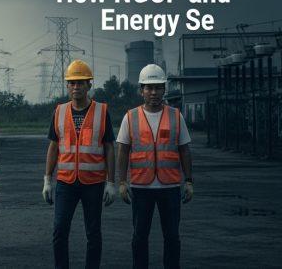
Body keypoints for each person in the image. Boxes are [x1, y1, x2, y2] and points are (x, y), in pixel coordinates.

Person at [116, 64, 194, 269]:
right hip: (142, 188)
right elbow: (122, 150)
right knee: (139, 237)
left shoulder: (176, 116)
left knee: (172, 238)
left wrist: (189, 181)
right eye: (149, 88)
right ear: (141, 90)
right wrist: (122, 182)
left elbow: (184, 150)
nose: (153, 92)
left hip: (170, 188)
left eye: (158, 87)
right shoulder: (130, 117)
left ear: (164, 89)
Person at [42, 60, 116, 269]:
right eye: (72, 83)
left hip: (93, 183)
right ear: (67, 86)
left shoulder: (101, 111)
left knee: (93, 233)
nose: (76, 87)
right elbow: (53, 146)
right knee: (59, 231)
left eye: (80, 83)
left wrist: (111, 182)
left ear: (89, 85)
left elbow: (109, 147)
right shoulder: (59, 111)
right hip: (66, 183)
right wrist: (47, 179)